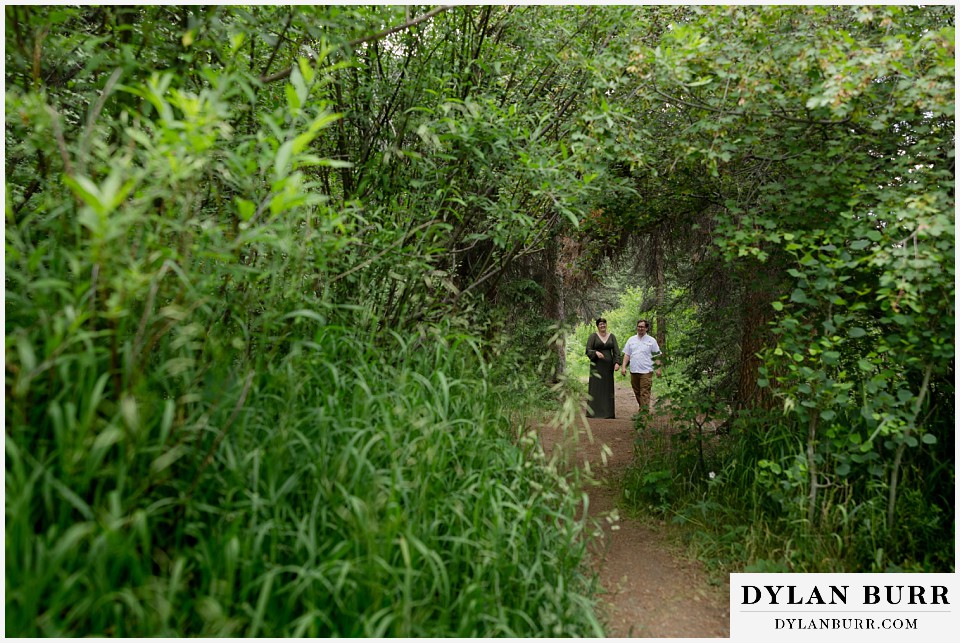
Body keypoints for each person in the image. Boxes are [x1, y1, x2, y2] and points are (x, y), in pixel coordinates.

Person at [620, 319, 662, 415]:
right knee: (637, 391)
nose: (640, 328)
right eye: (639, 326)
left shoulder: (651, 341)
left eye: (642, 327)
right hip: (634, 370)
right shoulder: (631, 340)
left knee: (645, 391)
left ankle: (644, 413)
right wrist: (623, 367)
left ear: (646, 328)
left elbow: (656, 355)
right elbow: (627, 354)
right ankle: (642, 409)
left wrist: (658, 369)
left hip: (646, 370)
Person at [585, 317, 620, 419]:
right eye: (600, 324)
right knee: (595, 387)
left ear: (606, 325)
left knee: (607, 388)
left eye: (604, 324)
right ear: (597, 326)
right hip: (596, 365)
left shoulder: (612, 336)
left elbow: (616, 351)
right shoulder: (593, 336)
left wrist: (617, 362)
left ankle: (607, 413)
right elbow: (587, 350)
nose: (603, 326)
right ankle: (593, 412)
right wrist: (595, 352)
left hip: (608, 366)